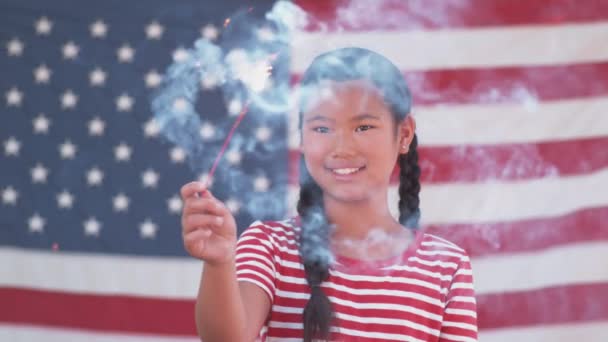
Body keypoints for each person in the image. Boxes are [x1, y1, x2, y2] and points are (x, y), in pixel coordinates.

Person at [180, 47, 478, 342]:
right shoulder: (269, 247)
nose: (342, 148)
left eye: (363, 126)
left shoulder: (446, 266)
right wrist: (219, 264)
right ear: (302, 137)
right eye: (322, 128)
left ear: (403, 134)